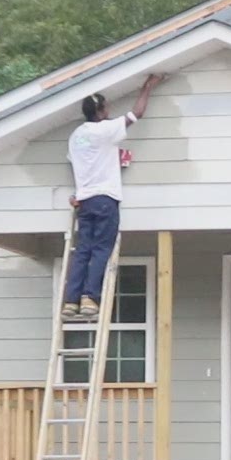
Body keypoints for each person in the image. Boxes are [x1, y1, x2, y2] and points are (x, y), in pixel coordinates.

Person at [62, 73, 164, 320]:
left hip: (84, 201)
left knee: (83, 250)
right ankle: (90, 298)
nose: (109, 110)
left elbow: (78, 165)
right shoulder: (105, 130)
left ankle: (70, 301)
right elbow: (136, 114)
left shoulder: (76, 136)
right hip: (105, 199)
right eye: (106, 107)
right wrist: (147, 88)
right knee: (101, 250)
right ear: (99, 111)